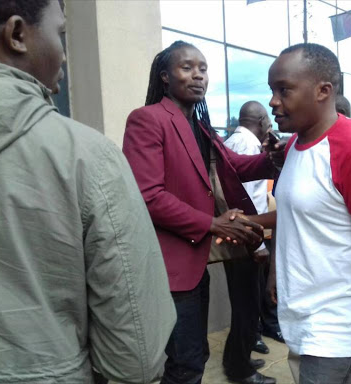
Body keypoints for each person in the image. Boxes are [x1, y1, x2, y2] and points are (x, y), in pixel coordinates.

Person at [0, 1, 176, 383]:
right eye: (60, 35)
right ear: (18, 35)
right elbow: (135, 354)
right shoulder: (87, 157)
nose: (66, 56)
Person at [245, 43, 351, 383]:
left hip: (341, 341)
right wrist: (275, 269)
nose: (273, 101)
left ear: (323, 91)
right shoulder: (293, 146)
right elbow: (302, 215)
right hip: (304, 328)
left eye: (283, 89)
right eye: (272, 90)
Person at [122, 41, 277, 384]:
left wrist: (273, 157)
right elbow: (148, 196)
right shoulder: (147, 120)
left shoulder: (202, 126)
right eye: (187, 67)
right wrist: (210, 223)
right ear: (165, 76)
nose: (198, 76)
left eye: (203, 69)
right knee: (186, 364)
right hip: (170, 266)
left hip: (197, 261)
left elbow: (235, 165)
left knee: (193, 357)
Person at [224, 101, 282, 358]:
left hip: (233, 234)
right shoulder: (248, 146)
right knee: (247, 303)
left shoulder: (229, 143)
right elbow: (247, 198)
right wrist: (257, 244)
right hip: (246, 237)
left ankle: (243, 354)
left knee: (243, 301)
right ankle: (240, 362)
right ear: (260, 121)